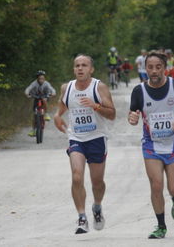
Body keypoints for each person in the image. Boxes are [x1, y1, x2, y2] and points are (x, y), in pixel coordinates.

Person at [128, 52, 174, 239]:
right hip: (151, 146)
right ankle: (161, 226)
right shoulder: (139, 91)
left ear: (164, 68)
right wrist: (132, 118)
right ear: (145, 68)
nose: (154, 71)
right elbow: (133, 114)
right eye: (150, 67)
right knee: (156, 186)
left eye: (158, 67)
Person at [54, 54, 116, 234]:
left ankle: (97, 207)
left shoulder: (99, 87)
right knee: (76, 176)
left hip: (96, 138)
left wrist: (95, 105)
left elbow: (112, 114)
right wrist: (58, 117)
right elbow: (62, 108)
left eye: (84, 65)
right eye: (77, 65)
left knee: (97, 182)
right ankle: (81, 217)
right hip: (76, 138)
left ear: (91, 69)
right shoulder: (67, 88)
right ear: (74, 69)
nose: (80, 68)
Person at [24, 70, 56, 137]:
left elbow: (52, 89)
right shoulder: (34, 83)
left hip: (45, 96)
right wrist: (27, 93)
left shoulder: (46, 84)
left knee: (44, 100)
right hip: (36, 97)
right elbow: (28, 89)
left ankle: (46, 114)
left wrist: (53, 93)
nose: (41, 80)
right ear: (37, 79)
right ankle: (33, 130)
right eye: (40, 79)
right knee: (35, 115)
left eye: (43, 79)